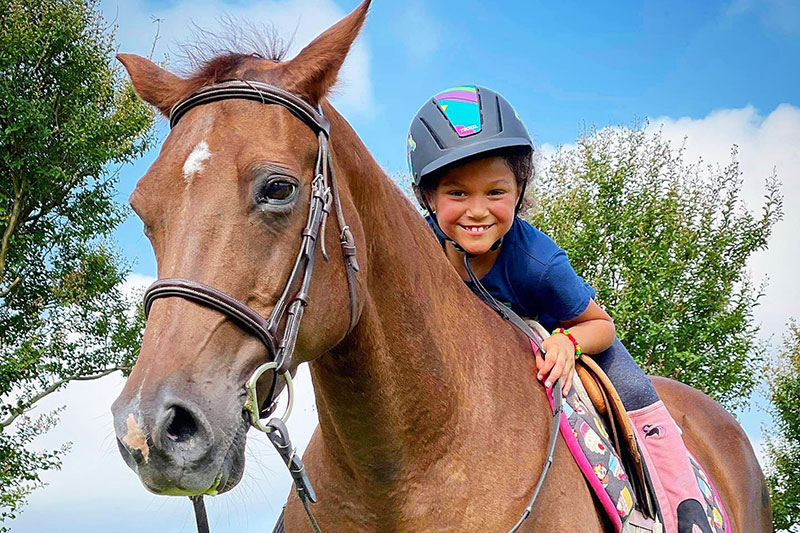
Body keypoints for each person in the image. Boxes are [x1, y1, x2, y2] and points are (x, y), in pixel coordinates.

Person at [406, 85, 714, 533]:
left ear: (518, 192)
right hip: (479, 353)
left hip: (566, 335)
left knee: (633, 390)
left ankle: (685, 504)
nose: (477, 211)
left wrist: (567, 342)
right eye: (457, 193)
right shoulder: (420, 252)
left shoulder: (538, 261)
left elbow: (599, 324)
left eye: (495, 192)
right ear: (429, 198)